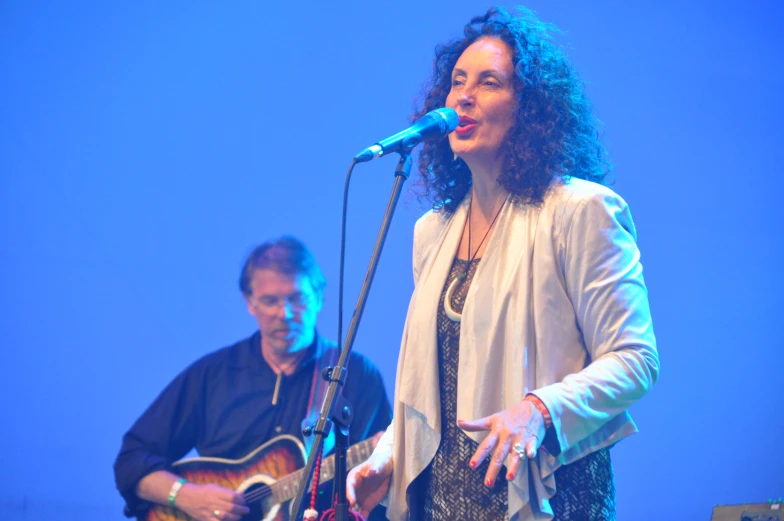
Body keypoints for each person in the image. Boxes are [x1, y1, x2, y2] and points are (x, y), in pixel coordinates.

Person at [347, 6, 659, 521]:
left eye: (488, 82)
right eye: (457, 81)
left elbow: (635, 359)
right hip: (442, 505)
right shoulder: (433, 231)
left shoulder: (580, 211)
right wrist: (388, 457)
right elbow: (439, 387)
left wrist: (539, 409)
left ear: (529, 109)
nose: (463, 96)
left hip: (548, 499)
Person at [114, 236, 392, 521]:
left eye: (296, 299)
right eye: (269, 301)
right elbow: (131, 460)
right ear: (250, 302)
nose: (283, 314)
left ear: (318, 297)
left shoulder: (355, 374)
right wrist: (185, 495)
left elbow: (385, 482)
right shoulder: (213, 375)